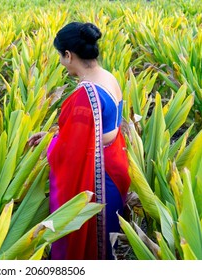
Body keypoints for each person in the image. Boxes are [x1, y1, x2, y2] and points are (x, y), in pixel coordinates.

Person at [28, 22, 131, 260]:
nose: (61, 62)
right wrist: (52, 136)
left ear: (68, 54)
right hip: (115, 166)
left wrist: (50, 146)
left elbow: (72, 151)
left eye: (60, 57)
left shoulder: (85, 94)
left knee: (88, 247)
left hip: (97, 179)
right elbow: (98, 131)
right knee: (106, 244)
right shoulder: (107, 77)